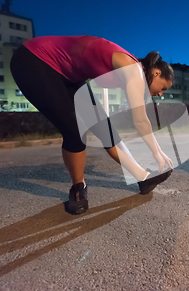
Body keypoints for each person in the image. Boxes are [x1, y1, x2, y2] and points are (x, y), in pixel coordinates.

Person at [10, 36, 175, 214]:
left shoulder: (132, 71)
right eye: (163, 88)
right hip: (34, 60)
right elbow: (141, 121)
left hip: (70, 75)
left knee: (105, 128)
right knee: (75, 131)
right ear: (156, 73)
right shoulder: (134, 70)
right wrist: (157, 153)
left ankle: (142, 178)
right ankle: (78, 188)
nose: (160, 94)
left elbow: (139, 115)